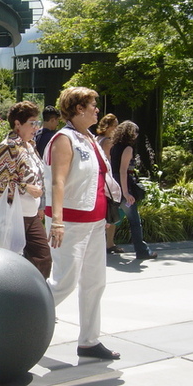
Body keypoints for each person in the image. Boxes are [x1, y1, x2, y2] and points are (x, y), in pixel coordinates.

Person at [44, 87, 122, 360]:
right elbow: (58, 181)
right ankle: (16, 320)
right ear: (79, 109)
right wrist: (57, 221)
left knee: (94, 282)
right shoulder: (64, 139)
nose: (97, 110)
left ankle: (89, 342)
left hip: (95, 222)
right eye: (93, 105)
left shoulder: (88, 138)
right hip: (71, 223)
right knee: (63, 283)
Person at [0, 101, 51, 278]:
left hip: (30, 214)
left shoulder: (30, 146)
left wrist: (41, 205)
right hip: (13, 215)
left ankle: (35, 297)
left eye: (37, 123)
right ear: (17, 124)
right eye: (32, 123)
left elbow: (38, 175)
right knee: (11, 264)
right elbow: (1, 183)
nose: (36, 127)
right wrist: (26, 187)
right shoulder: (8, 146)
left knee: (42, 259)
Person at [110, 121, 158, 260]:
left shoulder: (114, 147)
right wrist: (126, 192)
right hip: (123, 186)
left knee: (108, 219)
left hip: (113, 186)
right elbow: (123, 171)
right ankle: (142, 251)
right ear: (132, 133)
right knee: (134, 221)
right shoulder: (128, 149)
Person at [96, 114, 122, 254]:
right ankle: (109, 243)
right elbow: (108, 162)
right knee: (112, 210)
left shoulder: (96, 139)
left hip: (99, 180)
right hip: (107, 179)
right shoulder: (108, 142)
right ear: (109, 127)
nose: (117, 128)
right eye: (115, 125)